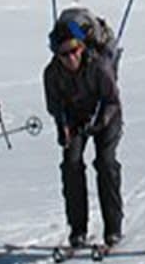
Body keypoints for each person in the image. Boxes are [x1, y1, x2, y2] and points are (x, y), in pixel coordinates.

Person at [43, 20, 124, 249]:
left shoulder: (99, 67)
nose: (70, 58)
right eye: (64, 54)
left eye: (74, 51)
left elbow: (112, 100)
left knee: (105, 163)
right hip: (75, 119)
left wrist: (100, 121)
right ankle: (77, 229)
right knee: (71, 165)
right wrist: (63, 126)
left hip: (106, 115)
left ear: (82, 47)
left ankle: (113, 228)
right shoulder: (51, 74)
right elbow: (54, 105)